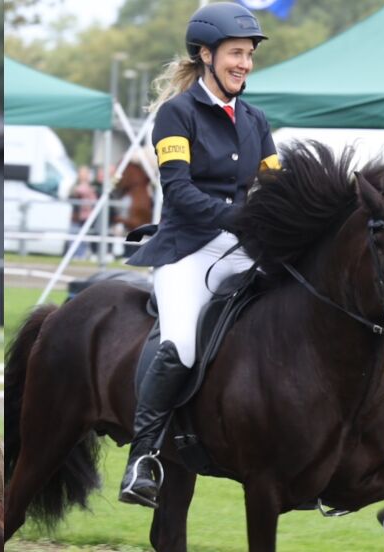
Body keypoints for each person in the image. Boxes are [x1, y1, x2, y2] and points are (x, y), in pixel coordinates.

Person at [118, 2, 279, 508]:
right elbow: (179, 191)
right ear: (206, 55)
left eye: (249, 55)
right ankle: (143, 459)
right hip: (187, 249)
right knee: (182, 345)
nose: (244, 64)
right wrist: (238, 219)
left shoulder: (256, 120)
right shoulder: (177, 114)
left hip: (242, 251)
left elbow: (274, 186)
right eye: (236, 53)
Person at [69, 166, 98, 259]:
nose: (83, 175)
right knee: (73, 237)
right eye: (81, 173)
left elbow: (93, 200)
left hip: (86, 217)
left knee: (84, 238)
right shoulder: (74, 187)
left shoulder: (91, 188)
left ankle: (82, 255)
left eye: (85, 173)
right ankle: (75, 255)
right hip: (76, 216)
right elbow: (72, 195)